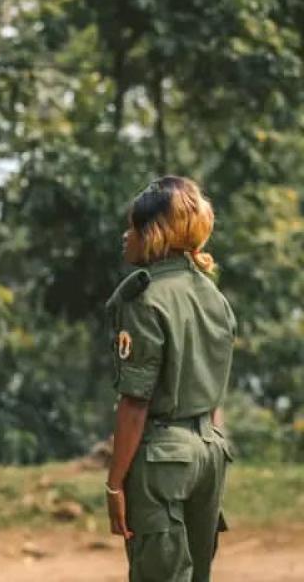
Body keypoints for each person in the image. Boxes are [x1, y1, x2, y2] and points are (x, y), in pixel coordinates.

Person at [104, 175, 237, 582]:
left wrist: (114, 486)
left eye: (133, 228)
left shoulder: (145, 300)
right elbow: (213, 390)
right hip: (210, 452)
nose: (125, 237)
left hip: (163, 460)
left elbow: (135, 403)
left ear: (153, 234)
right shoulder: (212, 295)